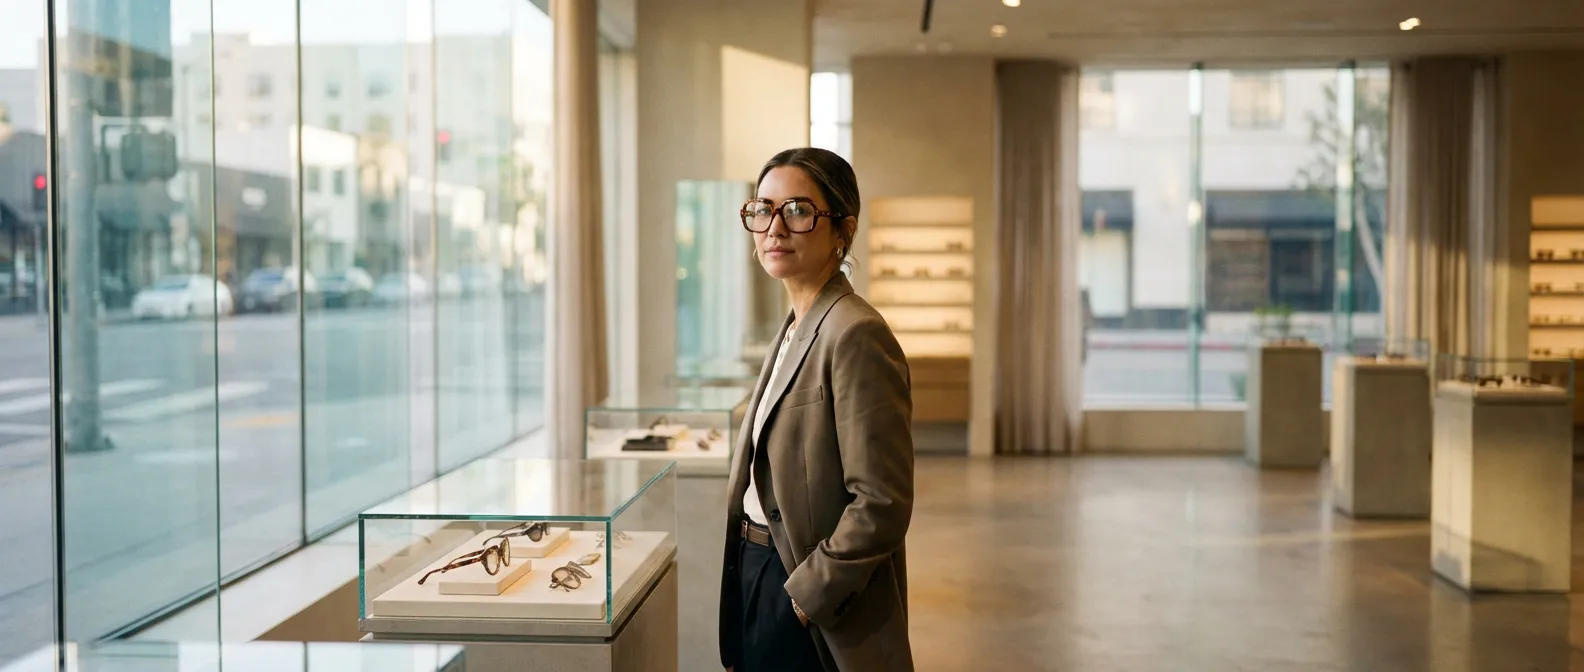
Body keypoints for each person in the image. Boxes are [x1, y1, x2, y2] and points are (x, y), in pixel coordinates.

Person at [718, 148, 916, 672]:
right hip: (760, 568)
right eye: (763, 209)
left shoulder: (855, 332)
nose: (774, 227)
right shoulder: (793, 326)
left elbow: (882, 502)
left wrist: (804, 599)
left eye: (798, 210)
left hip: (812, 592)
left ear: (842, 230)